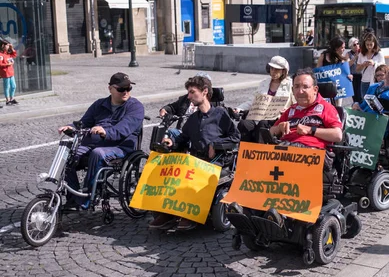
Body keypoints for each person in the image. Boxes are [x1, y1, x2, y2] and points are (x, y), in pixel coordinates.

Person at [151, 75, 241, 230]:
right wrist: (172, 142)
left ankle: (189, 214)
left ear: (205, 91)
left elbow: (236, 137)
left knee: (194, 175)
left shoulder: (220, 114)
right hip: (196, 160)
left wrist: (216, 145)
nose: (189, 96)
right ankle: (167, 212)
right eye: (189, 92)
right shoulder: (193, 118)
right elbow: (184, 137)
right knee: (172, 174)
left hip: (218, 161)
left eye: (192, 92)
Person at [58, 73, 145, 208]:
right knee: (67, 155)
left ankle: (87, 199)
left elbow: (123, 130)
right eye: (121, 89)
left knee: (98, 153)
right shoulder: (99, 104)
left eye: (128, 88)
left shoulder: (135, 107)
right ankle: (73, 198)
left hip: (121, 147)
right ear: (110, 89)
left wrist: (106, 132)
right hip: (96, 143)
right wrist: (71, 127)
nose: (126, 92)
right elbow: (84, 123)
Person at [269, 68, 343, 153]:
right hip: (286, 148)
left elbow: (337, 135)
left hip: (313, 152)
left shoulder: (326, 108)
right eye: (296, 87)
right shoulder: (290, 110)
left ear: (315, 90)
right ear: (293, 90)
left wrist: (310, 130)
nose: (300, 91)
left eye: (305, 87)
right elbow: (270, 132)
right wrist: (279, 128)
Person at [234, 56, 293, 143]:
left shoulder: (290, 84)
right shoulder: (263, 83)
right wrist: (239, 108)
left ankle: (260, 153)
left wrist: (287, 110)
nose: (273, 71)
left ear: (284, 71)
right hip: (258, 116)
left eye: (277, 69)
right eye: (272, 68)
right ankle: (243, 152)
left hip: (276, 119)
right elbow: (253, 101)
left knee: (263, 125)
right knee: (244, 124)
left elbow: (297, 104)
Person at [356, 32, 385, 97]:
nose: (369, 47)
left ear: (374, 44)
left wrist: (374, 63)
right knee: (365, 100)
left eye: (371, 44)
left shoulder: (379, 54)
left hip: (376, 81)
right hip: (364, 81)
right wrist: (363, 65)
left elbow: (384, 67)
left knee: (376, 100)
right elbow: (357, 69)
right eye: (367, 45)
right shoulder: (361, 54)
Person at [0, 40, 18, 106]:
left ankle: (12, 98)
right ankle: (7, 100)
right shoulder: (1, 54)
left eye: (8, 45)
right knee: (7, 86)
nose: (8, 46)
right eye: (7, 45)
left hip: (11, 72)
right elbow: (0, 64)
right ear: (3, 46)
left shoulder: (8, 53)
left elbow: (15, 54)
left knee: (13, 86)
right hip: (5, 73)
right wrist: (8, 64)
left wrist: (12, 48)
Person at [347, 37, 363, 103]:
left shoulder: (362, 52)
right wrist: (356, 57)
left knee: (360, 94)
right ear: (351, 46)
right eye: (354, 45)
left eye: (357, 44)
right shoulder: (349, 54)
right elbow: (347, 65)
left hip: (361, 75)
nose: (357, 46)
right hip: (353, 76)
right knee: (355, 95)